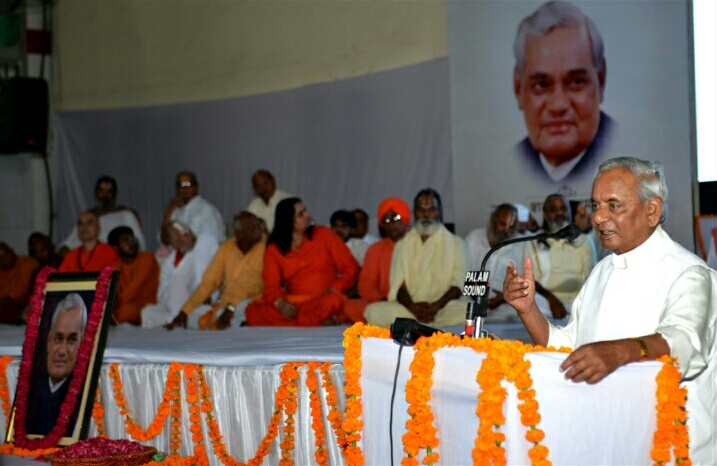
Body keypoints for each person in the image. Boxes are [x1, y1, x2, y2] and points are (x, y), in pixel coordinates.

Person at [504, 157, 717, 463]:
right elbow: (570, 348)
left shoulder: (690, 274)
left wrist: (619, 352)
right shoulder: (602, 271)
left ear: (652, 210)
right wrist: (528, 311)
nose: (598, 217)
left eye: (613, 206)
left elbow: (686, 344)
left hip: (675, 450)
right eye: (595, 205)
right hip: (612, 444)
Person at [513, 1, 614, 184]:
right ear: (519, 88)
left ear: (601, 80)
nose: (558, 106)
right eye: (541, 85)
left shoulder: (625, 152)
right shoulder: (512, 160)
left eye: (576, 82)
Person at [244, 198, 359, 326]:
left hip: (324, 299)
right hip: (295, 304)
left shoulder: (324, 234)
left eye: (305, 211)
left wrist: (336, 287)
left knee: (334, 301)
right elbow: (271, 286)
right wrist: (280, 303)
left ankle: (307, 321)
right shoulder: (274, 248)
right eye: (301, 214)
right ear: (288, 221)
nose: (307, 214)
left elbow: (351, 268)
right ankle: (317, 320)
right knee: (252, 310)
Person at [364, 189, 469, 328]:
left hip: (443, 308)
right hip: (411, 310)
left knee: (470, 310)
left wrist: (436, 306)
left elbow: (459, 283)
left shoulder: (457, 243)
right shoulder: (402, 244)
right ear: (415, 213)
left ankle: (418, 324)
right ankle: (422, 322)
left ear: (440, 213)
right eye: (421, 210)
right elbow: (399, 285)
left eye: (431, 209)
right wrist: (412, 307)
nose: (426, 215)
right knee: (372, 311)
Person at [166, 212, 265, 330]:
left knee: (245, 309)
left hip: (251, 302)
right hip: (225, 305)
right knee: (191, 317)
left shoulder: (266, 247)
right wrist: (184, 311)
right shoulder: (226, 249)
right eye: (250, 229)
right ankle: (233, 324)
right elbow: (208, 283)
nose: (257, 231)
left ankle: (232, 323)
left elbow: (253, 285)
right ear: (237, 234)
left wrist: (232, 307)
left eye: (257, 226)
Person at [523, 193, 596, 320]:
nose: (560, 213)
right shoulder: (533, 241)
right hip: (545, 302)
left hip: (579, 301)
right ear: (545, 214)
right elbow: (530, 278)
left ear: (569, 212)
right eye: (553, 210)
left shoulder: (585, 240)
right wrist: (552, 300)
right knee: (528, 300)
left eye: (563, 209)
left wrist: (581, 303)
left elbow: (592, 277)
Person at [26, 293, 87, 436]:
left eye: (71, 340)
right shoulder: (30, 389)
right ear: (49, 341)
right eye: (58, 339)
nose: (61, 351)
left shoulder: (83, 398)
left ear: (82, 345)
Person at [344, 198, 411, 323]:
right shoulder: (376, 249)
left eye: (395, 218)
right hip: (386, 304)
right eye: (386, 220)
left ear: (405, 218)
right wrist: (381, 300)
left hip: (416, 302)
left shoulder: (419, 245)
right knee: (350, 306)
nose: (391, 224)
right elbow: (366, 284)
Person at [141, 221, 219, 328]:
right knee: (147, 312)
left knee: (198, 316)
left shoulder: (206, 241)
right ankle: (177, 321)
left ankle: (179, 321)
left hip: (206, 304)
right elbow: (161, 296)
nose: (190, 235)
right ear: (174, 243)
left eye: (188, 231)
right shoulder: (169, 263)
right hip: (178, 305)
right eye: (185, 235)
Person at [464, 204, 524, 321]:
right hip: (473, 300)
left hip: (505, 305)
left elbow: (523, 281)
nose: (507, 230)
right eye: (502, 224)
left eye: (511, 227)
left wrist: (503, 298)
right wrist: (477, 297)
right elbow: (464, 271)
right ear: (493, 219)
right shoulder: (474, 238)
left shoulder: (520, 245)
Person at [60, 176, 146, 253]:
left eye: (109, 191)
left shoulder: (126, 214)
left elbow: (139, 242)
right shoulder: (88, 217)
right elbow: (68, 244)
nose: (105, 195)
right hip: (91, 260)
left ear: (114, 194)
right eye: (101, 191)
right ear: (96, 193)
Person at [108, 226, 159, 326]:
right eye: (126, 240)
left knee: (123, 312)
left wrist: (110, 309)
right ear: (116, 247)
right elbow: (114, 293)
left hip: (148, 308)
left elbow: (134, 289)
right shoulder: (116, 267)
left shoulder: (147, 258)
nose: (131, 243)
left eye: (133, 239)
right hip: (125, 306)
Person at [161, 171, 226, 246]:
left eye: (188, 184)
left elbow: (211, 242)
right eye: (182, 185)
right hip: (177, 251)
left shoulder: (206, 210)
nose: (185, 188)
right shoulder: (175, 211)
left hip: (202, 251)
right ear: (177, 189)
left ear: (196, 187)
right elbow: (164, 241)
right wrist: (168, 213)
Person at [0, 242, 39, 324]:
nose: (5, 259)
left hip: (25, 302)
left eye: (6, 254)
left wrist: (6, 297)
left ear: (12, 251)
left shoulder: (26, 263)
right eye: (1, 258)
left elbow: (20, 291)